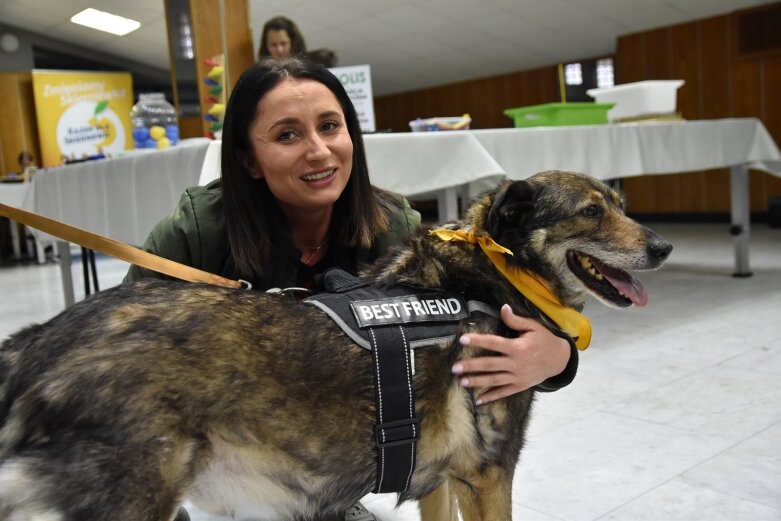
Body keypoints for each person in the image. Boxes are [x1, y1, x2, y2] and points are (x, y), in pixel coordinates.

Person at [124, 57, 576, 521]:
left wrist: (558, 357)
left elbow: (476, 330)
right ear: (248, 160)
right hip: (217, 439)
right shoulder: (195, 233)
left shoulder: (396, 227)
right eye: (287, 135)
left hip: (325, 447)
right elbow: (119, 350)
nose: (319, 151)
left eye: (329, 126)